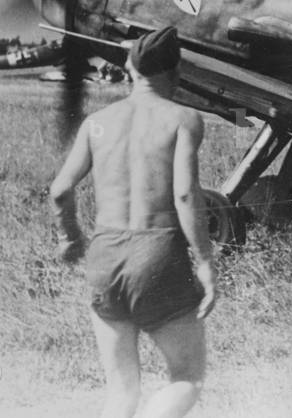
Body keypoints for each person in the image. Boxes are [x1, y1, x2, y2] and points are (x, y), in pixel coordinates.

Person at [49, 27, 217, 418]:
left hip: (104, 256)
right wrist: (206, 261)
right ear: (176, 71)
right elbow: (186, 195)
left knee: (121, 393)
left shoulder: (97, 123)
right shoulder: (184, 119)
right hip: (158, 254)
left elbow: (60, 190)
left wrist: (68, 236)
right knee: (186, 378)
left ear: (129, 68)